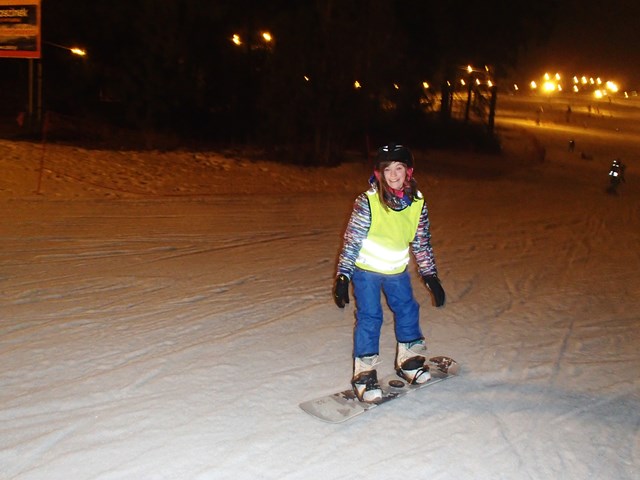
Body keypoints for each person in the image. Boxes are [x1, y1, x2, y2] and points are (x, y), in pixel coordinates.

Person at [333, 143, 446, 402]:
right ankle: (364, 375)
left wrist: (430, 276)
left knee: (408, 309)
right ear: (379, 173)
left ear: (409, 171)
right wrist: (343, 276)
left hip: (396, 270)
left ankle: (409, 361)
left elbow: (421, 242)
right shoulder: (368, 201)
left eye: (399, 168)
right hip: (366, 271)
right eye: (387, 169)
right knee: (371, 316)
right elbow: (352, 240)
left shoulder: (417, 202)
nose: (393, 175)